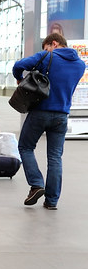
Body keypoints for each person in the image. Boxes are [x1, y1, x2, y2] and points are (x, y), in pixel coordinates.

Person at [12, 32, 86, 209]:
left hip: (40, 111)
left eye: (47, 47)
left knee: (25, 147)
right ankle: (52, 201)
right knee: (55, 157)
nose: (46, 50)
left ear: (54, 43)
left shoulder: (46, 56)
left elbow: (18, 65)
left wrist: (20, 79)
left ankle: (37, 184)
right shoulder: (80, 65)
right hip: (62, 115)